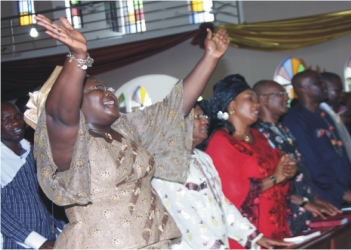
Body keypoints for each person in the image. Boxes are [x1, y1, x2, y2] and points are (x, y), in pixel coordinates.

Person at [30, 14, 229, 249]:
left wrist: (210, 58)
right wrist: (78, 57)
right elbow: (60, 117)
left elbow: (173, 109)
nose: (108, 92)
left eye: (108, 87)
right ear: (75, 102)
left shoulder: (126, 130)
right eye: (97, 89)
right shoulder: (68, 144)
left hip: (154, 240)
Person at [151, 102, 294, 249]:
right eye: (198, 117)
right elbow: (187, 222)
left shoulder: (202, 158)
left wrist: (255, 237)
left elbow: (223, 204)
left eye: (204, 116)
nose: (206, 120)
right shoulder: (167, 168)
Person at [203, 74, 297, 249]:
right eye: (250, 99)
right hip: (248, 233)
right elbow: (230, 195)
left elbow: (278, 174)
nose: (257, 104)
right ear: (231, 105)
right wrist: (276, 177)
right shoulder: (221, 142)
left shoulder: (258, 136)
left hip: (275, 226)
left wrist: (287, 172)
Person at [252, 80, 341, 235]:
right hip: (285, 215)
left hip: (304, 210)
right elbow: (271, 182)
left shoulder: (283, 128)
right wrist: (305, 202)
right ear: (264, 99)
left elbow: (300, 172)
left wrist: (315, 198)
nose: (286, 98)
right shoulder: (258, 135)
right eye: (281, 94)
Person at [282, 70, 351, 209]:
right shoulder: (295, 120)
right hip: (324, 196)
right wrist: (341, 191)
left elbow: (342, 153)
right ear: (304, 89)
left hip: (344, 190)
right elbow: (311, 163)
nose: (324, 85)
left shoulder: (324, 115)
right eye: (318, 82)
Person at [1, 102, 66, 249]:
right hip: (16, 242)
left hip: (51, 237)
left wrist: (63, 227)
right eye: (6, 120)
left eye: (18, 116)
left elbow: (50, 196)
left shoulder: (36, 152)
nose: (15, 122)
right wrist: (37, 241)